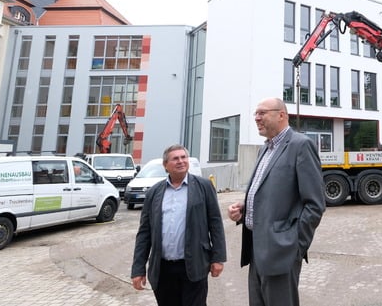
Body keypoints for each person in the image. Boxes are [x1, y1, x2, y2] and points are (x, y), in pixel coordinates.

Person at [228, 97, 326, 306]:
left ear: (281, 115)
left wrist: (294, 246)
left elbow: (315, 204)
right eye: (256, 113)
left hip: (282, 252)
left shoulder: (300, 145)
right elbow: (272, 194)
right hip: (256, 249)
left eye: (262, 113)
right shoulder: (265, 149)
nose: (256, 118)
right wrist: (245, 209)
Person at [131, 144, 226, 306]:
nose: (181, 161)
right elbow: (144, 233)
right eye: (176, 158)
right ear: (165, 165)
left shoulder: (204, 187)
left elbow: (215, 223)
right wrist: (138, 268)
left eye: (184, 157)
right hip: (163, 269)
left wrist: (218, 258)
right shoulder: (154, 192)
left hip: (194, 265)